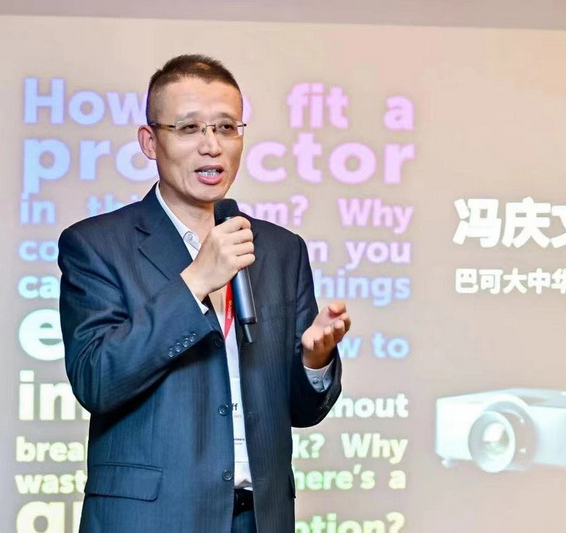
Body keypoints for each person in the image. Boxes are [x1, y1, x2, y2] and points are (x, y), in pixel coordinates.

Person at [58, 54, 351, 533]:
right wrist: (195, 281)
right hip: (150, 519)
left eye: (226, 128)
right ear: (150, 141)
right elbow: (97, 380)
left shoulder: (281, 249)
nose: (211, 146)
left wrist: (314, 361)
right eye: (189, 128)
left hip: (259, 518)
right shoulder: (96, 245)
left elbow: (303, 411)